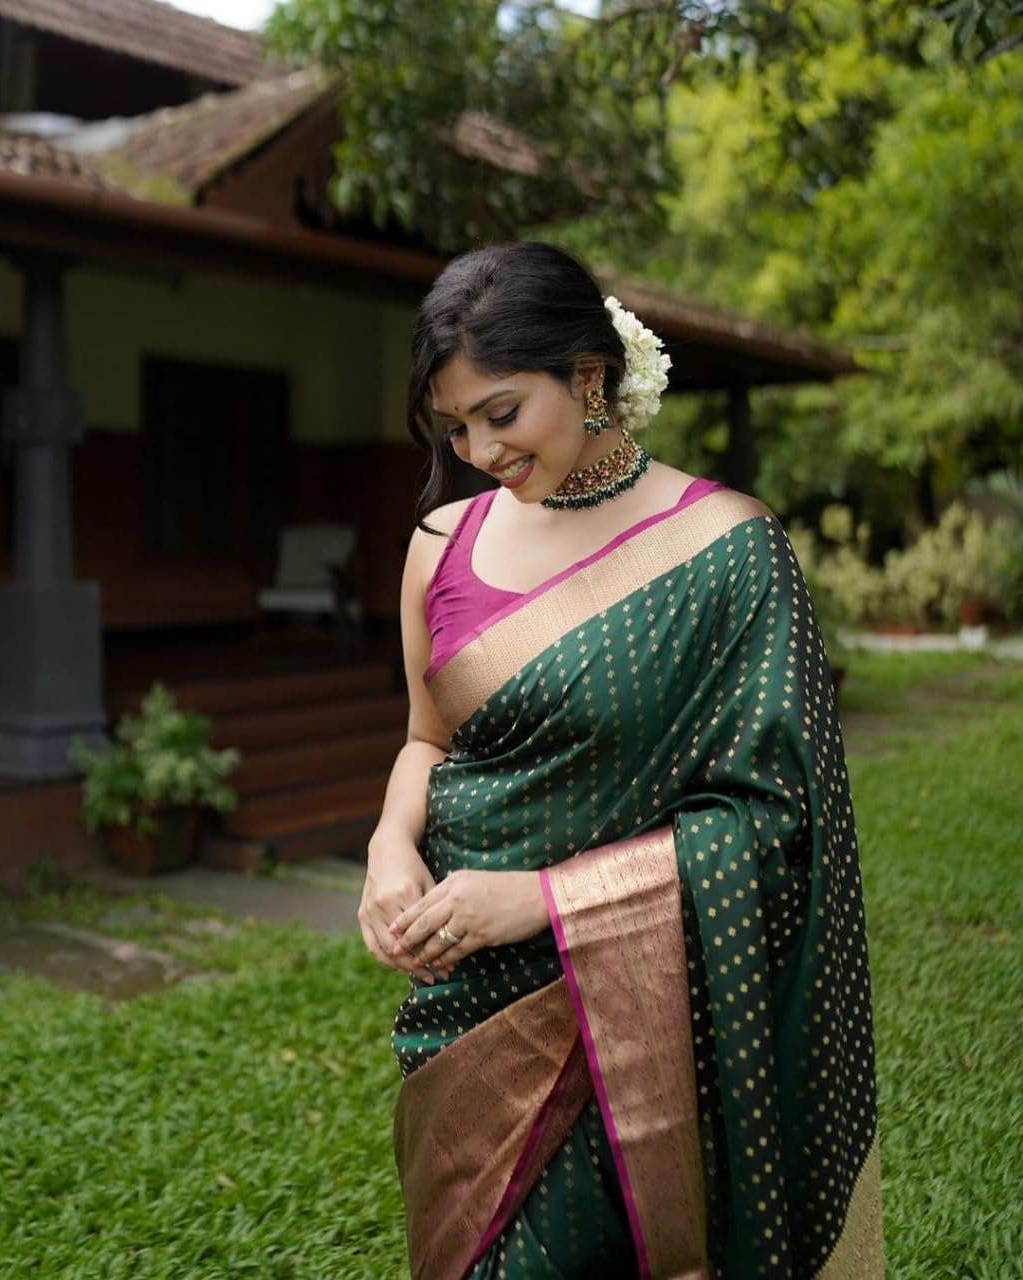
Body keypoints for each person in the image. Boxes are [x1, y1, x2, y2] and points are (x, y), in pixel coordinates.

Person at [358, 241, 884, 1280]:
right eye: (455, 425)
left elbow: (776, 819)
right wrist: (387, 844)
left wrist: (546, 900)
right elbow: (427, 736)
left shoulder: (728, 550)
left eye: (502, 413)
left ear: (588, 375)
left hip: (647, 1004)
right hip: (463, 994)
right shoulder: (439, 539)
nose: (479, 450)